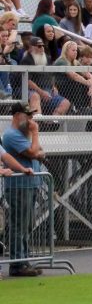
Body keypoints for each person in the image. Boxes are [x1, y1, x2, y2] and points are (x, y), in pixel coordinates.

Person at [2, 102, 45, 276]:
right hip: (19, 186)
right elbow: (35, 153)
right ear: (17, 115)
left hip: (29, 184)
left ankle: (24, 260)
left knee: (27, 225)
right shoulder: (12, 134)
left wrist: (35, 146)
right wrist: (35, 132)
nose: (30, 120)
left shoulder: (22, 135)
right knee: (19, 225)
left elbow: (39, 150)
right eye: (27, 116)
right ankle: (18, 264)